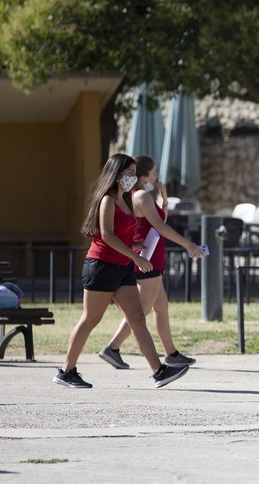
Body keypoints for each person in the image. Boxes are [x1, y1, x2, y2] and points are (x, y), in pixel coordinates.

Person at [53, 153, 203, 389]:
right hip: (101, 266)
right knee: (90, 319)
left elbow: (123, 233)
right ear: (116, 174)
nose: (132, 178)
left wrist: (135, 245)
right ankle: (66, 371)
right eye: (129, 173)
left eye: (135, 173)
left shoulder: (125, 200)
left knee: (137, 318)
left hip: (122, 268)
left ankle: (159, 371)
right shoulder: (108, 200)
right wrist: (135, 256)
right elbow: (107, 235)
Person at [98, 155, 199, 370]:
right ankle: (112, 347)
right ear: (144, 176)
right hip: (149, 256)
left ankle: (171, 353)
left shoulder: (139, 195)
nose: (157, 176)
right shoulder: (142, 195)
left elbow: (159, 220)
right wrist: (188, 244)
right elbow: (161, 227)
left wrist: (163, 196)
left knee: (161, 306)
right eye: (154, 173)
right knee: (140, 311)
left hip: (150, 252)